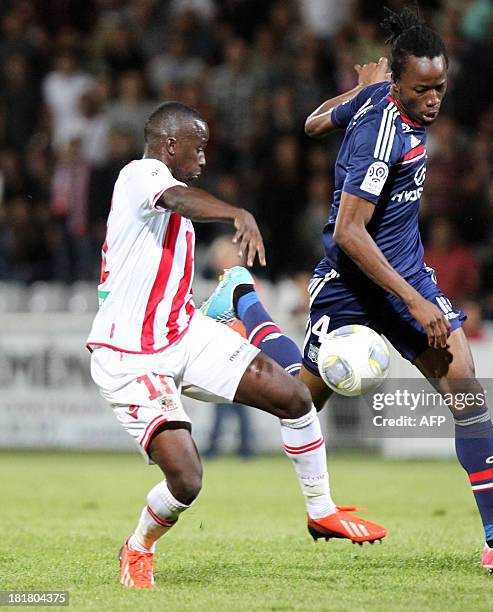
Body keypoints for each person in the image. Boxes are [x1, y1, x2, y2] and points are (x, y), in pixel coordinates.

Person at [203, 7, 493, 577]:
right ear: (398, 83)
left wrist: (356, 93)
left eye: (440, 87)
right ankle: (242, 298)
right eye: (422, 90)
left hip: (406, 277)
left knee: (465, 387)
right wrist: (417, 303)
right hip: (352, 286)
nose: (434, 100)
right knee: (299, 401)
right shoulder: (381, 129)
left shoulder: (378, 101)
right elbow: (349, 231)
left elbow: (313, 125)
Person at [86, 102, 386, 589]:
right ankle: (138, 547)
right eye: (197, 148)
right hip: (130, 357)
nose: (203, 159)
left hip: (182, 334)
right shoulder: (139, 175)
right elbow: (181, 199)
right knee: (186, 479)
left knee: (295, 398)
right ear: (169, 146)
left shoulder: (164, 201)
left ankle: (321, 511)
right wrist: (237, 213)